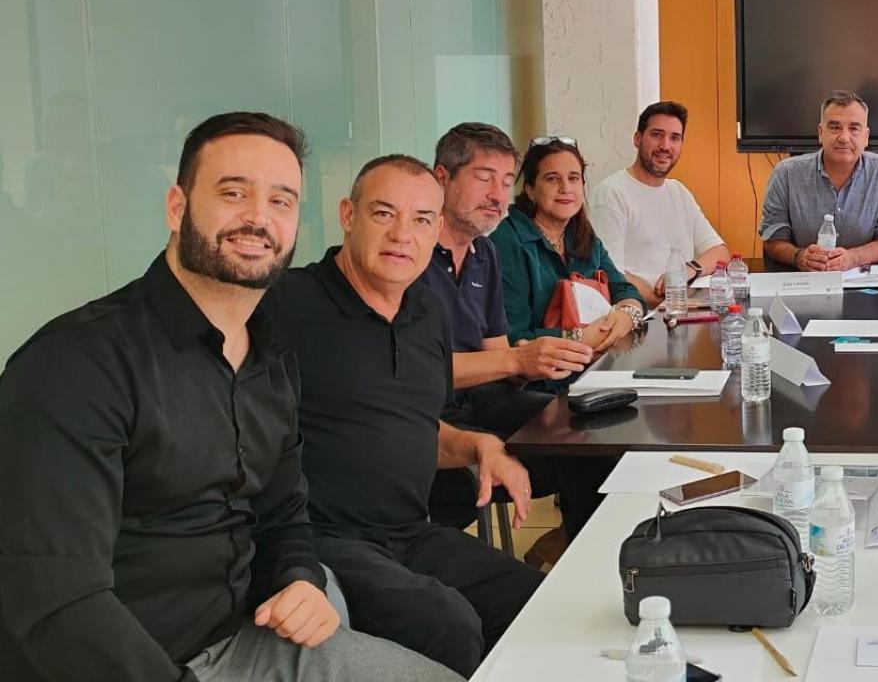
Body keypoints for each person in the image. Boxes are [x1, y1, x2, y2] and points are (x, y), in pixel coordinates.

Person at [0, 112, 458, 682]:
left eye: (282, 201)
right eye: (233, 192)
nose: (258, 218)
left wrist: (298, 578)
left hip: (243, 642)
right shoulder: (78, 363)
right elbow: (56, 599)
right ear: (177, 206)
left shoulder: (272, 353)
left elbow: (283, 511)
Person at [268, 155, 544, 677]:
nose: (402, 235)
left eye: (420, 220)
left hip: (411, 532)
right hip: (321, 538)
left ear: (437, 228)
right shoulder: (288, 304)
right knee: (447, 622)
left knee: (534, 600)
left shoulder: (427, 312)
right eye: (383, 214)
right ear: (348, 215)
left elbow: (416, 425)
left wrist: (479, 446)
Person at [424, 123, 593, 548]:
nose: (498, 195)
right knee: (578, 450)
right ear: (442, 178)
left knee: (591, 432)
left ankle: (580, 551)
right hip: (427, 413)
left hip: (482, 399)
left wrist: (539, 357)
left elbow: (498, 359)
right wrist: (517, 361)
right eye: (484, 179)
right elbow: (415, 371)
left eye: (504, 181)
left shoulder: (485, 254)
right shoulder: (412, 254)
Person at [491, 137, 645, 352]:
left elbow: (624, 289)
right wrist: (579, 338)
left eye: (574, 178)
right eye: (552, 179)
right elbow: (513, 336)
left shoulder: (581, 234)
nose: (565, 188)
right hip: (542, 379)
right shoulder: (507, 241)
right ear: (530, 189)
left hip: (594, 364)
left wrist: (627, 314)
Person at [588, 100, 731, 307]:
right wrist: (666, 301)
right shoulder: (610, 194)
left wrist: (688, 269)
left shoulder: (679, 192)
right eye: (657, 135)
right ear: (637, 139)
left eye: (675, 138)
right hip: (639, 318)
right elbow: (608, 273)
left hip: (682, 315)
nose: (665, 146)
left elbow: (720, 252)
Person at [760, 90, 878, 271]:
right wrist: (799, 257)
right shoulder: (786, 174)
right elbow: (773, 239)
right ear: (821, 132)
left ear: (866, 136)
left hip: (865, 284)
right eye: (835, 127)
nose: (844, 138)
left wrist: (852, 259)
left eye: (854, 128)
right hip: (804, 281)